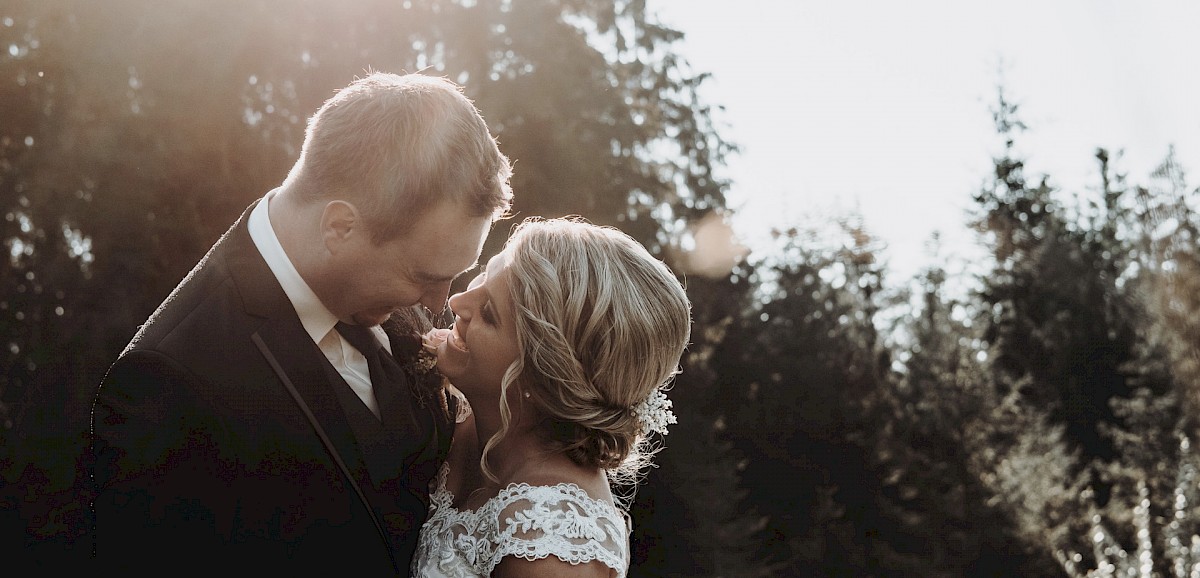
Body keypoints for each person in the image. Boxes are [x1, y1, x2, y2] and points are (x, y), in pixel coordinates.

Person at [89, 72, 513, 574]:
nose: (442, 302)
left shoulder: (394, 288)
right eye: (425, 276)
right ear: (339, 226)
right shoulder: (169, 386)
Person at [411, 217, 692, 577]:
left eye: (489, 314)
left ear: (546, 376)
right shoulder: (466, 409)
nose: (457, 300)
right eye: (482, 277)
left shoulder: (551, 544)